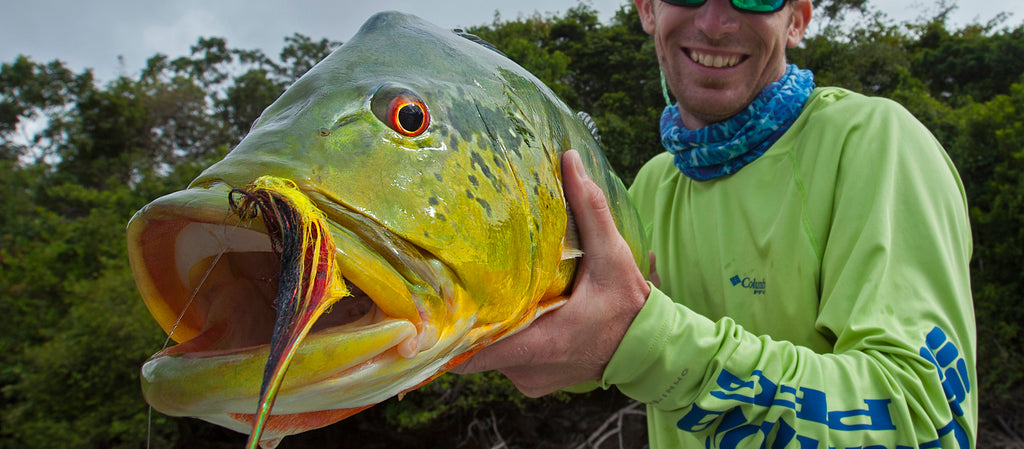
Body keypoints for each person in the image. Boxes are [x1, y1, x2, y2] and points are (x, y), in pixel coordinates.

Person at [453, 0, 977, 447]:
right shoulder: (653, 185)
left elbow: (927, 421)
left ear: (797, 19)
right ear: (646, 9)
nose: (715, 22)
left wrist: (641, 344)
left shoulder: (875, 144)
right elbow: (594, 354)